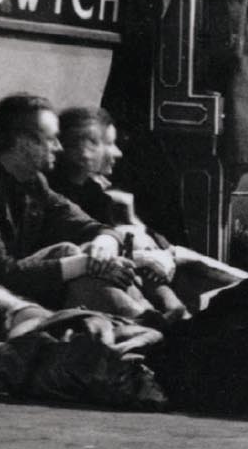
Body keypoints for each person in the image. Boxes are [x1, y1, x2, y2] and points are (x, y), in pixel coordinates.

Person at [0, 91, 126, 310]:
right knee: (74, 256)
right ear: (23, 143)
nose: (59, 147)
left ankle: (147, 318)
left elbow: (85, 223)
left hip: (21, 288)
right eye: (51, 139)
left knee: (74, 251)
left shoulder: (35, 183)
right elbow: (3, 272)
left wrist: (105, 242)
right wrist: (86, 264)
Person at [48, 107, 188, 320]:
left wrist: (150, 248)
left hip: (113, 272)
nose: (118, 153)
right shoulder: (52, 194)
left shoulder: (94, 192)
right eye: (110, 144)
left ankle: (175, 310)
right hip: (73, 282)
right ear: (83, 150)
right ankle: (157, 318)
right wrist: (142, 258)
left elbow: (119, 237)